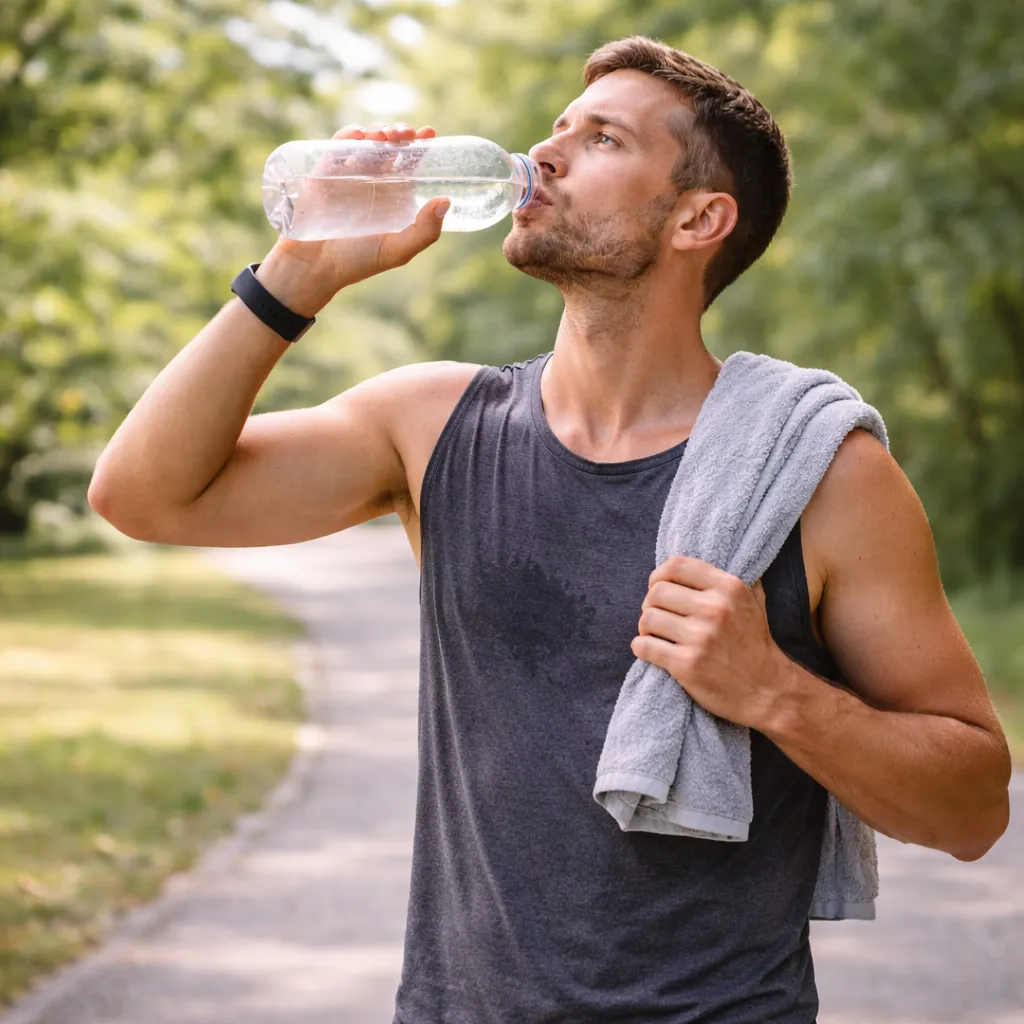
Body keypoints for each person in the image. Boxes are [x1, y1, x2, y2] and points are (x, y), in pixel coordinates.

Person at [88, 34, 1011, 1024]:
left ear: (698, 217)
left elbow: (971, 809)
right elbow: (143, 495)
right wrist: (296, 275)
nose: (545, 153)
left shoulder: (820, 475)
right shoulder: (432, 424)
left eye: (602, 139)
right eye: (557, 129)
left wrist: (775, 691)